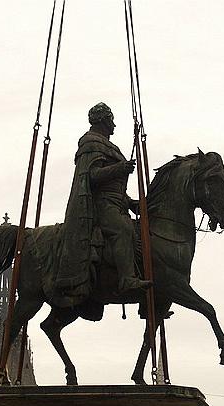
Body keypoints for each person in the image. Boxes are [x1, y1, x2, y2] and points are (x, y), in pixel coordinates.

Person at [55, 102, 150, 306]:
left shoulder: (108, 146)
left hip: (115, 203)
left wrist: (132, 203)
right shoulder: (91, 143)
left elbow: (113, 188)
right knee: (123, 229)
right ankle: (127, 279)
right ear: (104, 120)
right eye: (111, 120)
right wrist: (120, 169)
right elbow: (92, 176)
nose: (114, 125)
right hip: (99, 207)